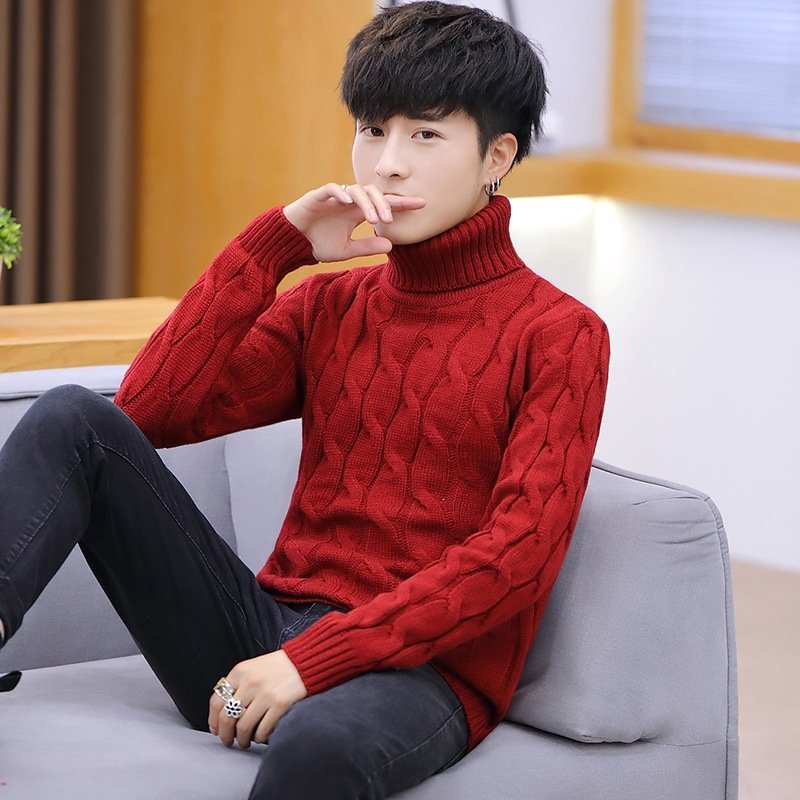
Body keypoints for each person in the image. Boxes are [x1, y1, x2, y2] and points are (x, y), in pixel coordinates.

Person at [0, 2, 609, 797]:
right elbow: (144, 414)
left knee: (318, 747)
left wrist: (310, 663)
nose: (387, 164)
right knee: (73, 416)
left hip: (421, 671)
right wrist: (276, 245)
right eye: (372, 129)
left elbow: (517, 556)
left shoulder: (561, 334)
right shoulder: (331, 307)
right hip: (259, 636)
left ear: (497, 154)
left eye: (426, 135)